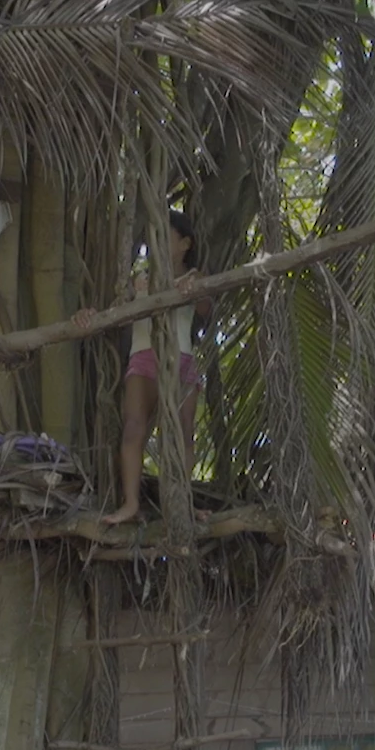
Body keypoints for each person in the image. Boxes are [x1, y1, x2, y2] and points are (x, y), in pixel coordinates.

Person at [91, 211, 205, 525]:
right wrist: (92, 313)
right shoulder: (138, 280)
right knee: (133, 429)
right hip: (142, 359)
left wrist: (196, 289)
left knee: (182, 434)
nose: (156, 244)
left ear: (185, 243)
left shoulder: (193, 277)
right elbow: (114, 313)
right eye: (152, 238)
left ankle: (183, 503)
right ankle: (130, 504)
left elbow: (209, 306)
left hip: (179, 361)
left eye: (164, 237)